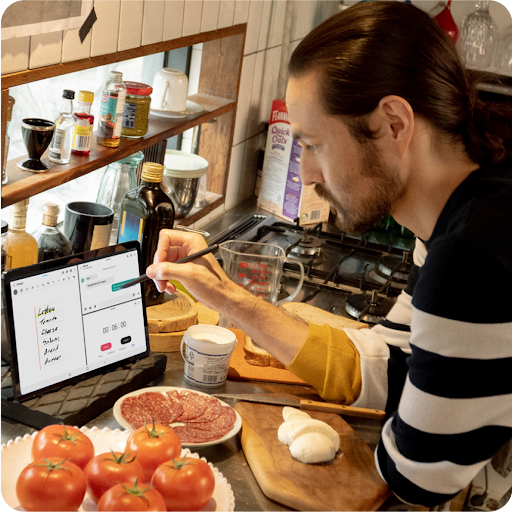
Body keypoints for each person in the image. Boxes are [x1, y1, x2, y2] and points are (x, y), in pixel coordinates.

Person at [146, 1, 512, 507]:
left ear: (393, 123)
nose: (309, 175)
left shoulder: (471, 260)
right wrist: (227, 297)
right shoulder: (461, 214)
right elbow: (387, 363)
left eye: (313, 144)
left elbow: (416, 475)